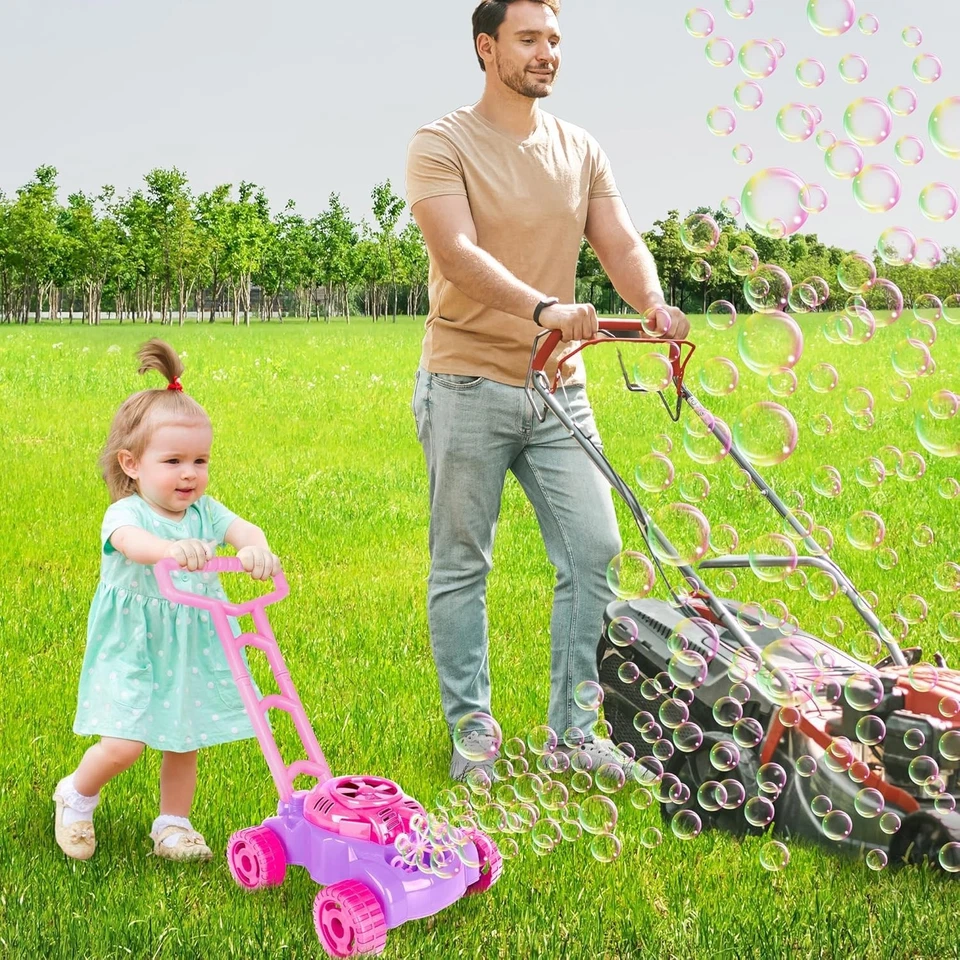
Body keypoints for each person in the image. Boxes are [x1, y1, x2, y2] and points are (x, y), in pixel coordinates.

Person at [406, 0, 691, 782]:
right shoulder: (441, 144)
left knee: (595, 549)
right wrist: (543, 309)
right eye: (528, 39)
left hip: (559, 387)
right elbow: (455, 252)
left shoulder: (580, 148)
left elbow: (619, 240)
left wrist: (650, 301)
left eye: (555, 40)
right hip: (466, 380)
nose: (546, 53)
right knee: (463, 564)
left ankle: (574, 738)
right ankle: (473, 737)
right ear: (486, 47)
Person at [53, 339, 281, 862]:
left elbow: (244, 529)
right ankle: (77, 794)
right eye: (173, 460)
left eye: (200, 460)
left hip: (191, 642)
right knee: (124, 743)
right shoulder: (127, 514)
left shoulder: (205, 512)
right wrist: (169, 550)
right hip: (132, 643)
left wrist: (255, 548)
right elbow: (133, 545)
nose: (189, 473)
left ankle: (174, 824)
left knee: (184, 736)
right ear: (131, 463)